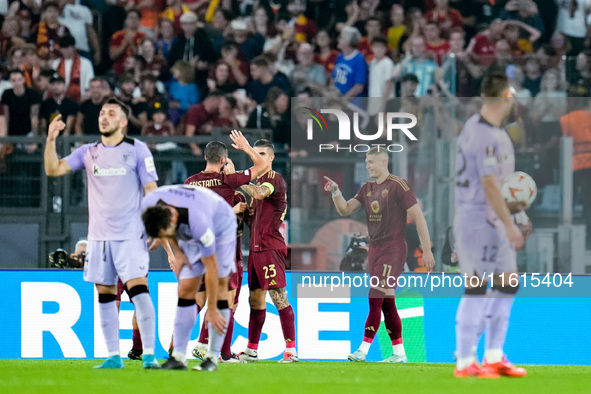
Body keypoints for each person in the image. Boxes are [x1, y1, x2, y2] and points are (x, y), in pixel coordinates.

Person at [43, 97, 160, 369]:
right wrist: (50, 140)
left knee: (139, 290)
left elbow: (151, 190)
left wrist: (155, 226)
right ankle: (112, 357)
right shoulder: (88, 151)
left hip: (131, 234)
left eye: (110, 113)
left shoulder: (137, 150)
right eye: (101, 113)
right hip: (98, 237)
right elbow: (53, 169)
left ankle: (151, 356)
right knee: (106, 294)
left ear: (123, 122)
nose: (103, 117)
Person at [324, 147, 435, 363]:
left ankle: (362, 350)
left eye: (371, 162)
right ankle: (400, 354)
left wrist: (427, 249)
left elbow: (419, 218)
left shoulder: (398, 185)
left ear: (383, 162)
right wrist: (336, 192)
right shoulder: (366, 188)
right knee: (386, 301)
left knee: (375, 296)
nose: (367, 166)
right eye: (366, 162)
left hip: (392, 249)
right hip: (374, 249)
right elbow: (345, 210)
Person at [453, 71, 527, 378]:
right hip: (478, 219)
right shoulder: (483, 134)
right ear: (506, 97)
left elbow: (501, 184)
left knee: (508, 284)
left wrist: (516, 216)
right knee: (477, 288)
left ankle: (494, 355)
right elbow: (489, 185)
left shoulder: (486, 130)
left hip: (494, 218)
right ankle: (466, 361)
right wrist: (511, 225)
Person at [184, 133, 269, 361]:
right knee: (228, 299)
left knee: (201, 299)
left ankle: (185, 344)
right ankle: (209, 346)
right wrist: (246, 147)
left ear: (204, 157)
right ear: (224, 160)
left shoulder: (189, 183)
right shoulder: (229, 182)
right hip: (225, 249)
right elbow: (262, 166)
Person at [141, 184, 238, 372]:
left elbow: (211, 266)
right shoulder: (149, 204)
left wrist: (210, 309)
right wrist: (178, 253)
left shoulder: (199, 221)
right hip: (188, 230)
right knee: (185, 288)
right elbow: (167, 232)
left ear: (173, 218)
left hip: (221, 227)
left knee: (220, 286)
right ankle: (178, 357)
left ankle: (211, 358)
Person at [237, 139, 297, 363]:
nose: (258, 156)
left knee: (279, 297)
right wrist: (242, 212)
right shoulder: (257, 185)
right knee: (255, 300)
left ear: (271, 158)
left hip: (270, 248)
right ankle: (252, 350)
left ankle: (291, 350)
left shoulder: (273, 178)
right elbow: (254, 222)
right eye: (255, 153)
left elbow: (261, 193)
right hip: (255, 250)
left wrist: (238, 180)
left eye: (262, 153)